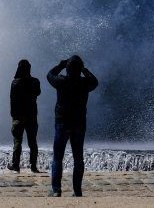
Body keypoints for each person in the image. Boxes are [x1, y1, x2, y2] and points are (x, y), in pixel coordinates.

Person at [46, 55, 98, 197]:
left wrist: (60, 65)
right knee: (78, 158)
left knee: (58, 157)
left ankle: (56, 190)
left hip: (62, 123)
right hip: (79, 124)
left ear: (67, 69)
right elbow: (95, 81)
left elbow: (49, 75)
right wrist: (84, 69)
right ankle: (77, 191)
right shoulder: (85, 83)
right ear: (79, 69)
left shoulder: (61, 81)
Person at [7, 59, 41, 173]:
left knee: (17, 141)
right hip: (32, 116)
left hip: (18, 117)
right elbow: (38, 92)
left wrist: (13, 115)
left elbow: (12, 100)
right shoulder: (35, 82)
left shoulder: (15, 82)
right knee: (32, 142)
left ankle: (15, 165)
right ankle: (33, 166)